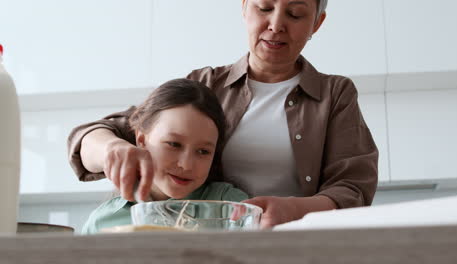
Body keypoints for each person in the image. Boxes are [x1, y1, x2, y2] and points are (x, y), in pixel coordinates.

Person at [68, 0, 378, 229]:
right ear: (244, 8)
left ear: (317, 23)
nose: (276, 24)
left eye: (295, 14)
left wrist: (293, 210)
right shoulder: (203, 85)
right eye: (264, 7)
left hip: (294, 244)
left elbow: (353, 188)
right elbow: (98, 133)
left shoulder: (335, 93)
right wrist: (112, 149)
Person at [81, 79, 248, 234]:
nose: (187, 165)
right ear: (141, 140)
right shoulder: (103, 221)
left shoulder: (232, 207)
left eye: (203, 151)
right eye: (174, 144)